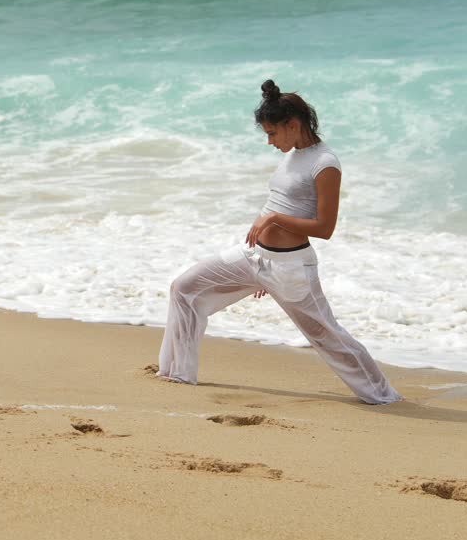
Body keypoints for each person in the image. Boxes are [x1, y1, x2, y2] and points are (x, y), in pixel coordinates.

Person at [156, 80, 402, 405]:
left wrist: (272, 220)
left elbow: (325, 228)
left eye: (272, 133)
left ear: (293, 124)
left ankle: (383, 395)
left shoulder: (325, 163)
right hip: (253, 257)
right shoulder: (292, 155)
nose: (270, 141)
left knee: (327, 336)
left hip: (290, 267)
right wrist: (259, 270)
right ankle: (178, 374)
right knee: (184, 288)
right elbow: (281, 200)